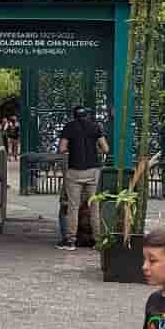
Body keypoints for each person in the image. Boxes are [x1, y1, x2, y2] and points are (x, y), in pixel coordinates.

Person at [57, 106, 108, 252]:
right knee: (94, 206)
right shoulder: (95, 127)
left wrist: (73, 149)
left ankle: (71, 241)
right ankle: (98, 241)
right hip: (92, 171)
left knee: (73, 207)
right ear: (87, 115)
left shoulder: (69, 127)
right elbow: (105, 149)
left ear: (74, 116)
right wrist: (93, 149)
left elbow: (62, 148)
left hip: (75, 171)